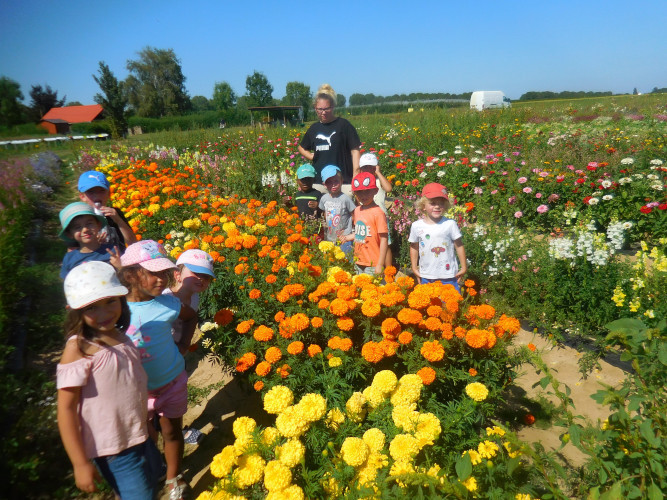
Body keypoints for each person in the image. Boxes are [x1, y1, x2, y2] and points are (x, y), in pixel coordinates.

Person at [57, 261, 161, 499]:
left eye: (110, 302)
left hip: (140, 435)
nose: (104, 313)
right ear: (75, 310)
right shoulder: (80, 348)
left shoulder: (122, 337)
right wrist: (80, 462)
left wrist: (146, 424)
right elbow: (66, 409)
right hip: (114, 449)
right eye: (91, 307)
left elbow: (132, 388)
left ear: (121, 299)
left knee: (152, 483)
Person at [119, 240, 198, 500]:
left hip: (172, 381)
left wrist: (184, 343)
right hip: (137, 392)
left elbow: (190, 317)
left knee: (172, 432)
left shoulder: (168, 304)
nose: (162, 280)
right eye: (153, 273)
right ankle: (152, 474)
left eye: (164, 273)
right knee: (144, 439)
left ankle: (174, 478)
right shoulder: (115, 311)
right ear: (131, 275)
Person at [163, 248, 216, 446]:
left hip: (175, 355)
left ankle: (179, 430)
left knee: (175, 396)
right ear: (177, 274)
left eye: (206, 277)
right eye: (195, 273)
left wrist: (185, 343)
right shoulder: (165, 296)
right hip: (156, 356)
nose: (201, 279)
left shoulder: (194, 296)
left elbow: (191, 317)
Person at [297, 84, 361, 196]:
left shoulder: (344, 125)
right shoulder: (314, 129)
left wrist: (356, 173)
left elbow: (355, 150)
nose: (323, 112)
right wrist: (312, 156)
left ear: (333, 107)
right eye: (320, 109)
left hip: (343, 182)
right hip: (320, 183)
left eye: (327, 108)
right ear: (315, 108)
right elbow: (301, 147)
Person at [409, 183, 467, 293]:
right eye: (432, 203)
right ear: (423, 206)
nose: (437, 206)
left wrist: (463, 267)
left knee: (450, 305)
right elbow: (414, 247)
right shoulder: (416, 226)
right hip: (426, 275)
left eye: (441, 203)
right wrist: (414, 267)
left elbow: (459, 245)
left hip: (448, 274)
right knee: (429, 306)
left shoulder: (450, 224)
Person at [78, 170, 137, 252]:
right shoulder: (80, 219)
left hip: (120, 260)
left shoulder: (115, 214)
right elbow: (73, 251)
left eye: (101, 191)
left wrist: (118, 221)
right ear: (82, 196)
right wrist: (93, 244)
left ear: (109, 194)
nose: (97, 195)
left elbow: (133, 242)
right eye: (91, 192)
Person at [58, 202, 120, 279]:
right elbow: (68, 285)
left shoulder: (113, 251)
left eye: (89, 224)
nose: (85, 229)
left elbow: (127, 279)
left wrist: (121, 267)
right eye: (77, 227)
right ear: (69, 234)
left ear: (99, 225)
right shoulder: (70, 258)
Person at [344, 172, 389, 276]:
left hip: (373, 263)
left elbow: (384, 239)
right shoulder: (357, 210)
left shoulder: (378, 212)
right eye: (359, 192)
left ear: (375, 191)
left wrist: (380, 264)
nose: (363, 196)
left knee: (371, 290)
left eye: (367, 191)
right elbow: (360, 233)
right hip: (358, 260)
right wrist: (347, 238)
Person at [359, 152, 394, 268]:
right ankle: (374, 265)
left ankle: (389, 271)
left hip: (381, 215)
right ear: (361, 168)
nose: (368, 169)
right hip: (366, 217)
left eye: (371, 166)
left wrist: (378, 173)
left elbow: (388, 188)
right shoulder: (360, 181)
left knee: (386, 243)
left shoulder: (378, 180)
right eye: (365, 167)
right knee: (371, 242)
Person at [318, 165, 356, 255]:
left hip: (344, 238)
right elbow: (324, 213)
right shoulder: (324, 199)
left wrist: (349, 230)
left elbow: (354, 214)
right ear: (324, 184)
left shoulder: (345, 198)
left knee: (346, 261)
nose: (333, 184)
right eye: (329, 182)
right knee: (331, 261)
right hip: (330, 237)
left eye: (336, 181)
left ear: (341, 181)